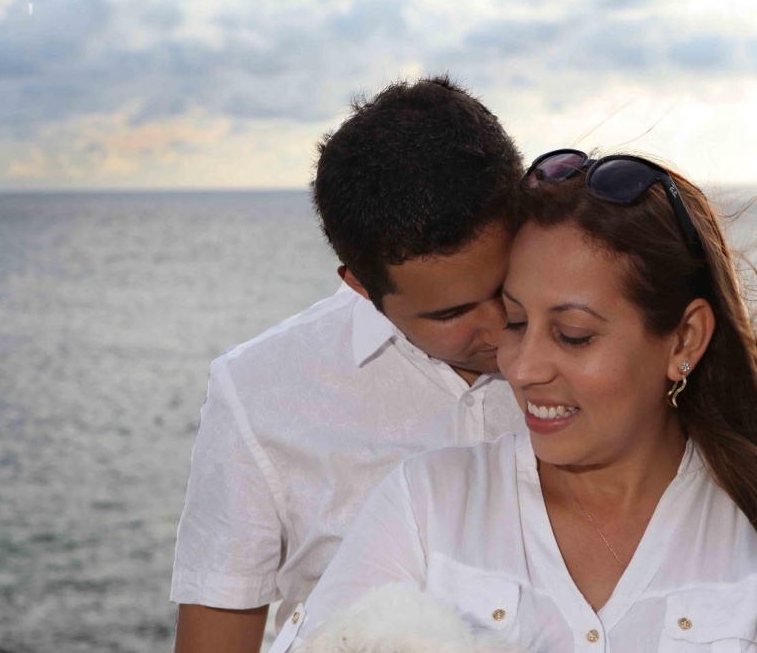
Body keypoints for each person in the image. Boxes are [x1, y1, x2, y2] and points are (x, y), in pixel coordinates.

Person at [275, 149, 757, 652]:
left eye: (573, 334)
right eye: (514, 322)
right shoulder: (425, 506)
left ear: (685, 340)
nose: (523, 368)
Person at [170, 75, 528, 653]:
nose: (499, 327)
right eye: (452, 313)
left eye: (506, 282)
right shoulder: (259, 389)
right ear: (361, 287)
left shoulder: (614, 345)